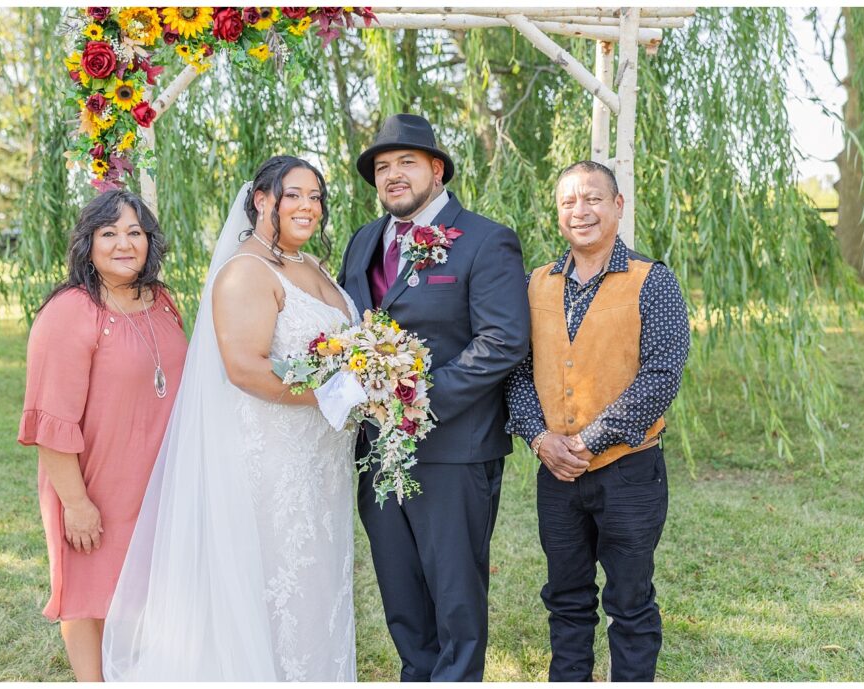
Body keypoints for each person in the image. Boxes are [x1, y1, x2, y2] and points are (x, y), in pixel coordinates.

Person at [102, 156, 359, 681]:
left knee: (318, 582)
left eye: (316, 196)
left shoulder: (306, 264)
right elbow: (244, 368)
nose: (309, 206)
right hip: (276, 461)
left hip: (320, 460)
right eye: (295, 195)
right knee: (280, 582)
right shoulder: (246, 271)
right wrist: (335, 394)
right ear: (263, 200)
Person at [338, 113, 530, 681]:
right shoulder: (364, 240)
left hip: (453, 449)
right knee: (401, 593)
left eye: (405, 163)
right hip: (376, 453)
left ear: (437, 170)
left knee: (455, 598)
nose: (391, 175)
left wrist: (415, 401)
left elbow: (504, 340)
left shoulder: (486, 239)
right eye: (381, 167)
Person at [504, 160, 690, 681]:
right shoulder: (533, 283)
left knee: (630, 604)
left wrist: (585, 441)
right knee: (565, 599)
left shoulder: (653, 282)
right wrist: (540, 437)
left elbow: (660, 376)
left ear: (617, 207)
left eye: (591, 199)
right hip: (555, 474)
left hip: (629, 473)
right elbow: (514, 372)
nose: (580, 211)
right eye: (568, 202)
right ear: (558, 214)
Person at [17, 190, 188, 681]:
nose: (123, 243)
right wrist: (77, 503)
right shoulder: (71, 310)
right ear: (87, 244)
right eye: (108, 233)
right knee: (88, 597)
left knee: (144, 592)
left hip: (155, 481)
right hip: (92, 484)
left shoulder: (162, 301)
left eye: (134, 232)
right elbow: (50, 420)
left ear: (149, 241)